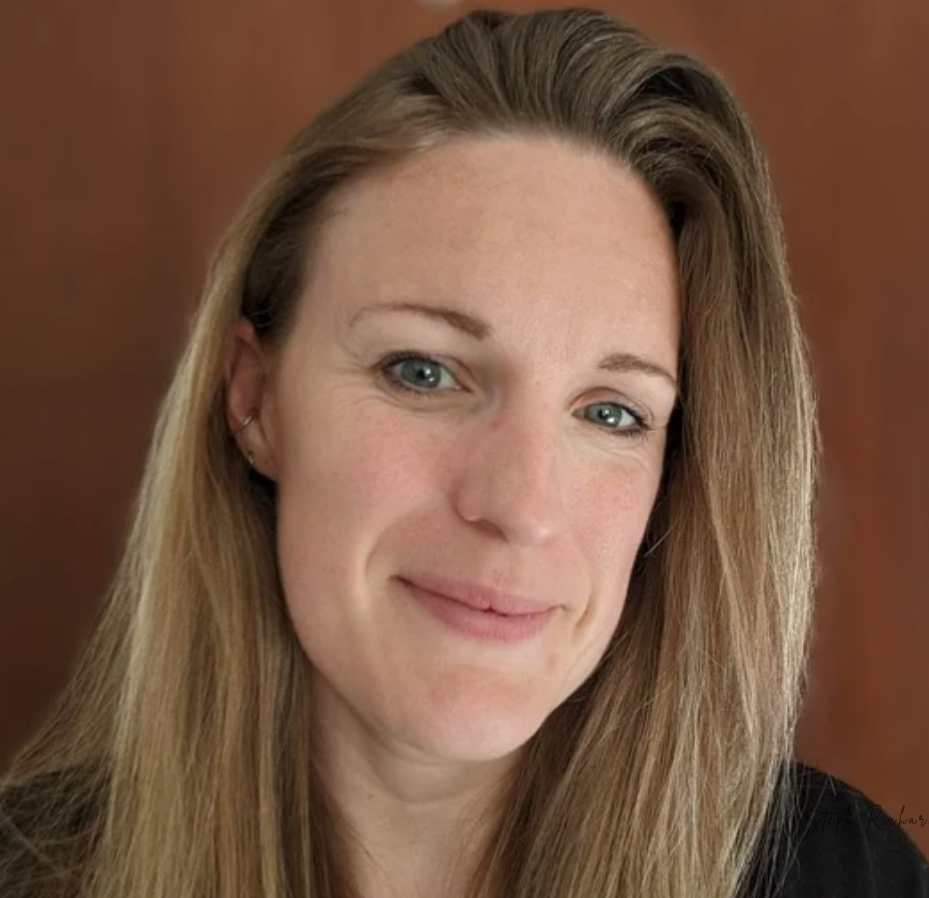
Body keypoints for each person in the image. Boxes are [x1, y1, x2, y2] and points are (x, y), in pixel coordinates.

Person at [1, 6, 926, 898]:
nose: (519, 506)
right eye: (424, 372)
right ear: (255, 399)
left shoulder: (842, 878)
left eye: (611, 414)